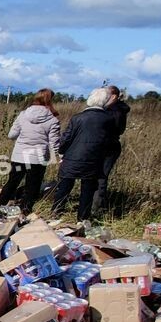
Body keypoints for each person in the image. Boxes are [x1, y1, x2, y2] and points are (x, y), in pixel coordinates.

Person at [50, 87, 118, 223]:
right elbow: (110, 141)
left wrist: (61, 152)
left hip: (72, 157)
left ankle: (56, 212)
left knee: (64, 186)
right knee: (87, 190)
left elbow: (67, 137)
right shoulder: (109, 119)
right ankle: (83, 218)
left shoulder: (78, 118)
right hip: (93, 159)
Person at [0, 88, 60, 212]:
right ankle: (25, 208)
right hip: (38, 158)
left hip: (19, 156)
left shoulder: (23, 114)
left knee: (13, 180)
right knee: (33, 184)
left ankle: (1, 202)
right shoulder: (53, 120)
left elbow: (11, 135)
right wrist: (56, 156)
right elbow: (54, 144)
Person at [92, 85, 130, 214]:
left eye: (106, 95)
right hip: (99, 145)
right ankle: (92, 205)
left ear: (113, 96)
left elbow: (117, 129)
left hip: (108, 147)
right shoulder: (108, 109)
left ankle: (97, 208)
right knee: (93, 176)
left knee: (100, 176)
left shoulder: (117, 111)